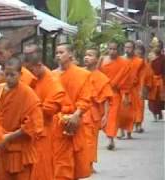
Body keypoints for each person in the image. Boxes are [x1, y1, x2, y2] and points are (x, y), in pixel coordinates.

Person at [0, 57, 44, 180]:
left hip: (19, 149)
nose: (8, 78)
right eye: (6, 74)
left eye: (12, 75)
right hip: (1, 148)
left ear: (20, 74)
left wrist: (9, 136)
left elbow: (34, 124)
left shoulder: (28, 94)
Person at [23, 44, 72, 180]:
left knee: (42, 171)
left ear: (38, 65)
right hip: (26, 132)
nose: (29, 75)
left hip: (44, 132)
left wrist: (29, 107)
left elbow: (50, 110)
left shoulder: (53, 81)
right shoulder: (30, 78)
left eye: (30, 70)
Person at [52, 43, 92, 180]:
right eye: (56, 52)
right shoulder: (52, 76)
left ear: (70, 54)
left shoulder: (83, 74)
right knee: (59, 162)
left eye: (61, 52)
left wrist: (76, 115)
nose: (58, 55)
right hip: (57, 123)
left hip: (76, 120)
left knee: (75, 160)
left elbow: (86, 97)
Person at [83, 48, 113, 172]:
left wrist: (106, 115)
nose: (86, 57)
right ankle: (81, 163)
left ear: (97, 59)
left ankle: (89, 164)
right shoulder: (79, 73)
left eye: (90, 55)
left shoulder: (101, 77)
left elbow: (106, 98)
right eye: (85, 55)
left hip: (92, 113)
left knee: (91, 140)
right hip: (77, 112)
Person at [98, 41, 131, 150]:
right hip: (101, 92)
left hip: (114, 93)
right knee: (100, 117)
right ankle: (109, 135)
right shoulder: (102, 60)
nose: (112, 51)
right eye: (110, 49)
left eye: (115, 49)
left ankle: (111, 139)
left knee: (112, 117)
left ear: (118, 50)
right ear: (107, 49)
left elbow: (126, 80)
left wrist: (125, 95)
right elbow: (96, 73)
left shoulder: (123, 62)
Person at [117, 41, 144, 139]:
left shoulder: (139, 61)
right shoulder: (120, 60)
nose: (127, 49)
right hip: (122, 89)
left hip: (134, 89)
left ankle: (129, 132)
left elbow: (141, 77)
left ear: (134, 48)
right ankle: (121, 132)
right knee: (121, 111)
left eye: (130, 47)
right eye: (126, 47)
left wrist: (141, 90)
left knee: (131, 111)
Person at [134, 44, 153, 132]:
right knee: (131, 108)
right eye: (137, 50)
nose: (138, 52)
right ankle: (133, 124)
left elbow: (149, 75)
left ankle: (139, 125)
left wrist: (146, 87)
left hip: (140, 87)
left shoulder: (145, 63)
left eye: (140, 51)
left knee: (140, 107)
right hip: (130, 88)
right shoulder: (130, 61)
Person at [148, 46, 165, 121]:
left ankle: (156, 116)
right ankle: (160, 113)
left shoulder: (151, 59)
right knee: (159, 99)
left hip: (154, 81)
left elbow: (148, 71)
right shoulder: (162, 58)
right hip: (160, 81)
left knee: (154, 100)